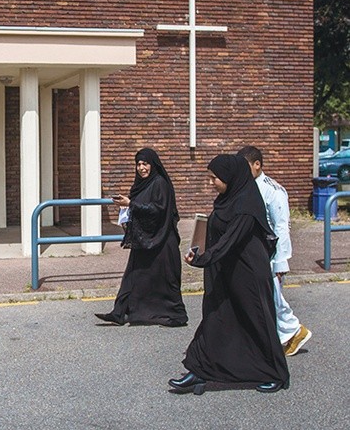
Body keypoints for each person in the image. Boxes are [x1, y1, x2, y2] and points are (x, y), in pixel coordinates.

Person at [169, 154, 289, 395]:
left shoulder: (246, 205)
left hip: (249, 276)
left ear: (230, 177)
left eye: (215, 178)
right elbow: (215, 233)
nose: (212, 182)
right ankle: (198, 369)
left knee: (256, 323)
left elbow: (230, 241)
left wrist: (203, 259)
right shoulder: (228, 199)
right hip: (227, 271)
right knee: (216, 318)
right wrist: (200, 250)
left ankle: (275, 373)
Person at [95, 148, 188, 327]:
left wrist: (131, 204)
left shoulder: (160, 183)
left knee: (165, 280)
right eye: (138, 164)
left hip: (161, 240)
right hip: (145, 238)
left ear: (153, 165)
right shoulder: (141, 184)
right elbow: (141, 206)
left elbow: (159, 210)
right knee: (133, 275)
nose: (141, 168)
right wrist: (127, 207)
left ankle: (176, 314)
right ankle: (120, 312)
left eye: (145, 164)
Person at [237, 146, 312, 356]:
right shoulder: (245, 187)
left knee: (273, 298)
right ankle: (279, 336)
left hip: (270, 254)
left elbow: (282, 227)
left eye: (245, 167)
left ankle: (295, 331)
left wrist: (281, 262)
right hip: (253, 254)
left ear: (257, 165)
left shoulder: (273, 190)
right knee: (264, 299)